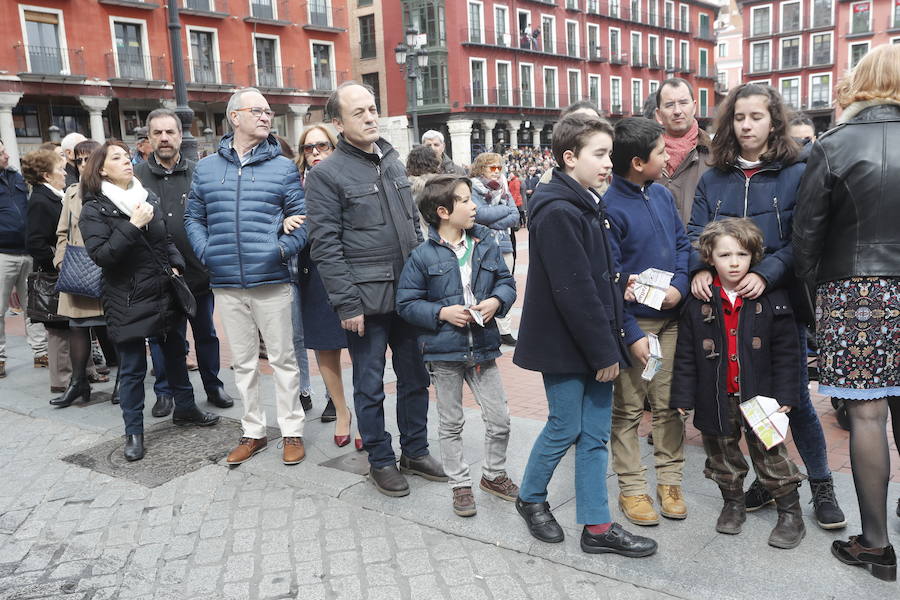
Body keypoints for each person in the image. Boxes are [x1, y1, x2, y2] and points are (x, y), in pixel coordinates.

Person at [687, 83, 845, 530]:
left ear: (773, 120)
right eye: (739, 117)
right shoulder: (714, 176)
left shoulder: (798, 169)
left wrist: (767, 273)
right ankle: (766, 483)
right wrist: (697, 270)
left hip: (779, 305)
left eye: (756, 116)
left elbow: (806, 237)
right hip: (726, 309)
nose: (746, 125)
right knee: (738, 400)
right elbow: (695, 231)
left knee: (790, 400)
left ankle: (820, 485)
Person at [513, 114, 657, 558]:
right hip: (567, 345)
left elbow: (598, 280)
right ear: (569, 157)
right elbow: (573, 291)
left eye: (609, 155)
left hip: (594, 340)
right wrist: (603, 351)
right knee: (564, 426)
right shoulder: (558, 209)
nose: (608, 164)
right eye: (599, 154)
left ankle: (597, 526)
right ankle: (531, 497)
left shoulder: (584, 202)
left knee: (593, 434)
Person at [305, 81, 446, 497]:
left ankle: (415, 451)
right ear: (338, 123)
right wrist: (347, 303)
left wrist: (428, 279)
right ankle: (381, 461)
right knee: (368, 383)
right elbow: (325, 246)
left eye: (372, 109)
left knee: (415, 377)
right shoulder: (326, 175)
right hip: (364, 302)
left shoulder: (392, 159)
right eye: (358, 113)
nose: (370, 117)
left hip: (407, 295)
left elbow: (412, 227)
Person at [793, 44, 900, 581]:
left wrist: (814, 304)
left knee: (866, 416)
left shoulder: (835, 144)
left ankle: (877, 545)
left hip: (856, 294)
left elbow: (806, 235)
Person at [185, 88, 308, 467]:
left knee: (284, 360)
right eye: (258, 111)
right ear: (234, 117)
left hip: (272, 280)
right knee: (243, 363)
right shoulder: (206, 168)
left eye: (269, 111)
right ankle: (253, 431)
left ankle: (291, 431)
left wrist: (280, 250)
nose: (267, 117)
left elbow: (303, 223)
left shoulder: (284, 167)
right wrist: (208, 254)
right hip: (226, 283)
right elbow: (194, 219)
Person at [81, 140, 220, 461]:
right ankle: (134, 432)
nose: (127, 161)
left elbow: (166, 237)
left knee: (176, 354)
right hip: (126, 296)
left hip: (163, 289)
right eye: (117, 158)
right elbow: (103, 255)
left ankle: (185, 409)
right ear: (102, 169)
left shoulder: (147, 196)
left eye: (126, 156)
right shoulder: (95, 208)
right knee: (132, 368)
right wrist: (133, 225)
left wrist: (177, 264)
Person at [671, 218, 806, 548]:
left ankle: (791, 514)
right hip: (714, 396)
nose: (734, 262)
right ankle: (733, 504)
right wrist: (683, 396)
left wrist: (787, 393)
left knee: (771, 453)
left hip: (761, 397)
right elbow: (686, 354)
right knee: (721, 454)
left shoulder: (771, 297)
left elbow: (788, 351)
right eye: (725, 255)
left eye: (742, 255)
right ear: (709, 258)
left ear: (754, 256)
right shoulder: (698, 300)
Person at [397, 174, 519, 517]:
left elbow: (506, 283)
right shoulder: (422, 256)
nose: (473, 206)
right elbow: (406, 303)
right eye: (465, 200)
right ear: (443, 211)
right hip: (444, 352)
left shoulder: (486, 243)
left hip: (483, 348)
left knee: (501, 419)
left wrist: (497, 301)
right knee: (450, 423)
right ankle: (460, 485)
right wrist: (441, 312)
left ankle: (493, 475)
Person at [604, 118, 691, 526]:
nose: (667, 155)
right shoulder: (609, 208)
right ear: (638, 161)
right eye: (660, 151)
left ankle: (670, 480)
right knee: (627, 411)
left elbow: (681, 244)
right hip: (636, 328)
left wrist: (681, 285)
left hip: (672, 320)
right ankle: (632, 487)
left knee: (670, 406)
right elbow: (611, 279)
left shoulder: (661, 194)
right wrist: (632, 332)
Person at [135, 108, 235, 419]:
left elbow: (216, 217)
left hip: (197, 273)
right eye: (157, 133)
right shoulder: (136, 178)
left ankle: (213, 385)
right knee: (163, 338)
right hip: (157, 277)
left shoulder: (199, 173)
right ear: (149, 138)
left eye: (170, 132)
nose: (164, 138)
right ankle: (164, 391)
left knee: (205, 333)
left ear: (180, 135)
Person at [286, 123, 361, 448]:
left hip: (352, 270)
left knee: (361, 346)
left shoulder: (351, 175)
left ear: (335, 146)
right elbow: (272, 214)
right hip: (313, 272)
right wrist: (283, 221)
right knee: (324, 346)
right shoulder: (295, 184)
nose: (315, 152)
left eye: (322, 146)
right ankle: (341, 410)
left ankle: (365, 413)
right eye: (308, 147)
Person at [23, 148, 90, 396]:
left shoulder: (56, 194)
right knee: (58, 328)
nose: (65, 173)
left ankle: (81, 372)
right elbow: (36, 242)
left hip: (67, 270)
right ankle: (61, 379)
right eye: (60, 169)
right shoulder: (41, 200)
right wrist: (59, 264)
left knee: (74, 324)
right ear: (45, 175)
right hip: (55, 273)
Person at [52, 139, 108, 408]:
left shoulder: (113, 190)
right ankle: (78, 383)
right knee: (77, 327)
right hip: (77, 270)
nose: (84, 164)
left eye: (89, 159)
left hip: (107, 267)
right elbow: (62, 232)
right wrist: (61, 261)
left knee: (115, 328)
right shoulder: (71, 193)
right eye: (79, 160)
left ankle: (123, 384)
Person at [0, 139, 49, 379]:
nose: (6, 156)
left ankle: (41, 351)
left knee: (34, 307)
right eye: (1, 154)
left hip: (27, 252)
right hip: (2, 255)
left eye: (4, 151)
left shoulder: (16, 178)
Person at [470, 152, 519, 347]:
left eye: (499, 167)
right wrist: (504, 211)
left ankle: (505, 330)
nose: (497, 172)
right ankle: (486, 329)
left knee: (505, 284)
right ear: (481, 168)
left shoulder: (504, 187)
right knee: (484, 286)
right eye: (492, 167)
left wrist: (494, 219)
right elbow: (480, 214)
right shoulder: (473, 187)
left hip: (504, 243)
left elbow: (515, 216)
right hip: (481, 244)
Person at [654, 78, 711, 226]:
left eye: (683, 103)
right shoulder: (644, 158)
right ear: (658, 114)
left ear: (694, 107)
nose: (677, 111)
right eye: (669, 105)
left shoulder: (715, 155)